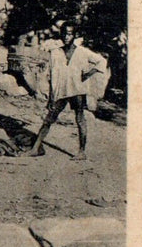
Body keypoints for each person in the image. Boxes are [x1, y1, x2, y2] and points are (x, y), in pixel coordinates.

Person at [24, 21, 109, 160]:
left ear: (74, 35)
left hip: (77, 90)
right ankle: (36, 148)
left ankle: (82, 152)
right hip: (61, 91)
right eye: (64, 33)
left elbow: (101, 61)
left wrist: (88, 74)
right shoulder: (55, 53)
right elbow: (52, 75)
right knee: (49, 119)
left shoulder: (83, 52)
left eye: (70, 34)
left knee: (80, 119)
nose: (66, 37)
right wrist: (52, 97)